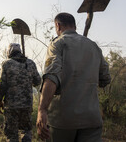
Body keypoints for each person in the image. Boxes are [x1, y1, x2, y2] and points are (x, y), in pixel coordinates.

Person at [36, 12, 111, 142]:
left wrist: (42, 110)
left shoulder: (57, 44)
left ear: (58, 26)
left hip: (63, 120)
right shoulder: (93, 46)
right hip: (91, 118)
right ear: (74, 26)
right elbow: (105, 78)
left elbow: (52, 77)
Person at [0, 43, 41, 142]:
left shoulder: (6, 64)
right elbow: (38, 81)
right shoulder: (30, 63)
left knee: (12, 135)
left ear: (9, 52)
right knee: (26, 131)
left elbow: (2, 85)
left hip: (11, 106)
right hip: (27, 105)